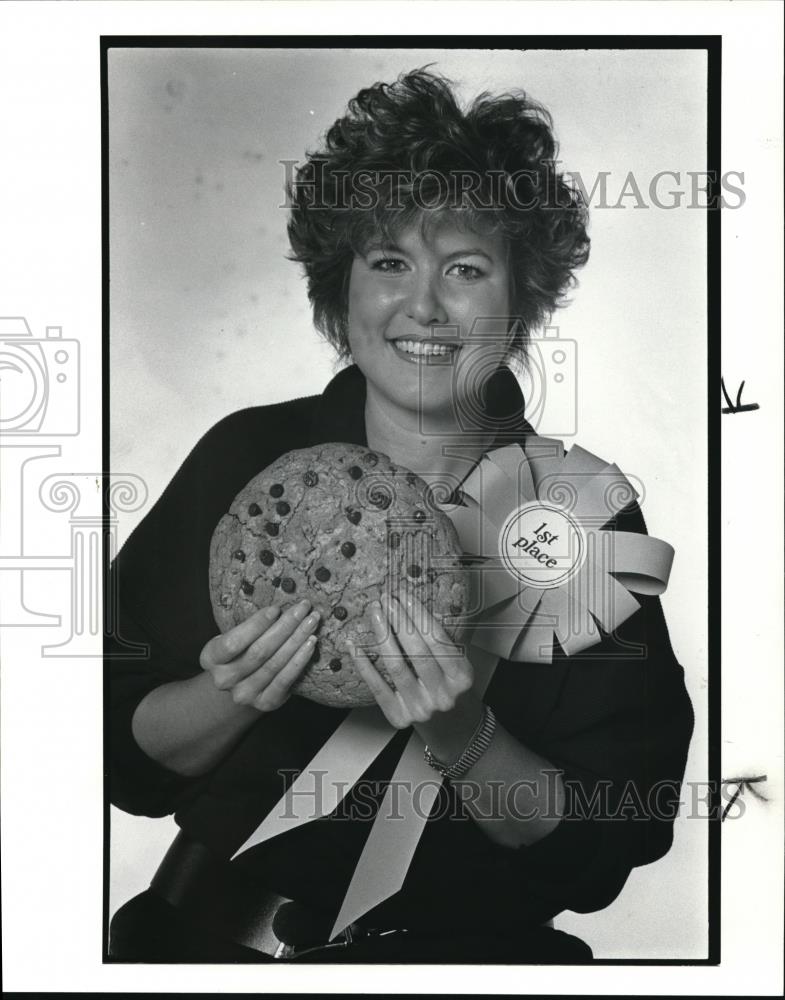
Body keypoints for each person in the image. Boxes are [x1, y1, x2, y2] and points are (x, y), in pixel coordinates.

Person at [107, 68, 694, 963]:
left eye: (464, 268)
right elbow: (117, 755)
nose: (422, 306)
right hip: (202, 951)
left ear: (520, 296)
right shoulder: (246, 462)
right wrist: (223, 696)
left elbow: (608, 844)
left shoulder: (582, 523)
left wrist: (461, 734)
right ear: (340, 284)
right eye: (389, 262)